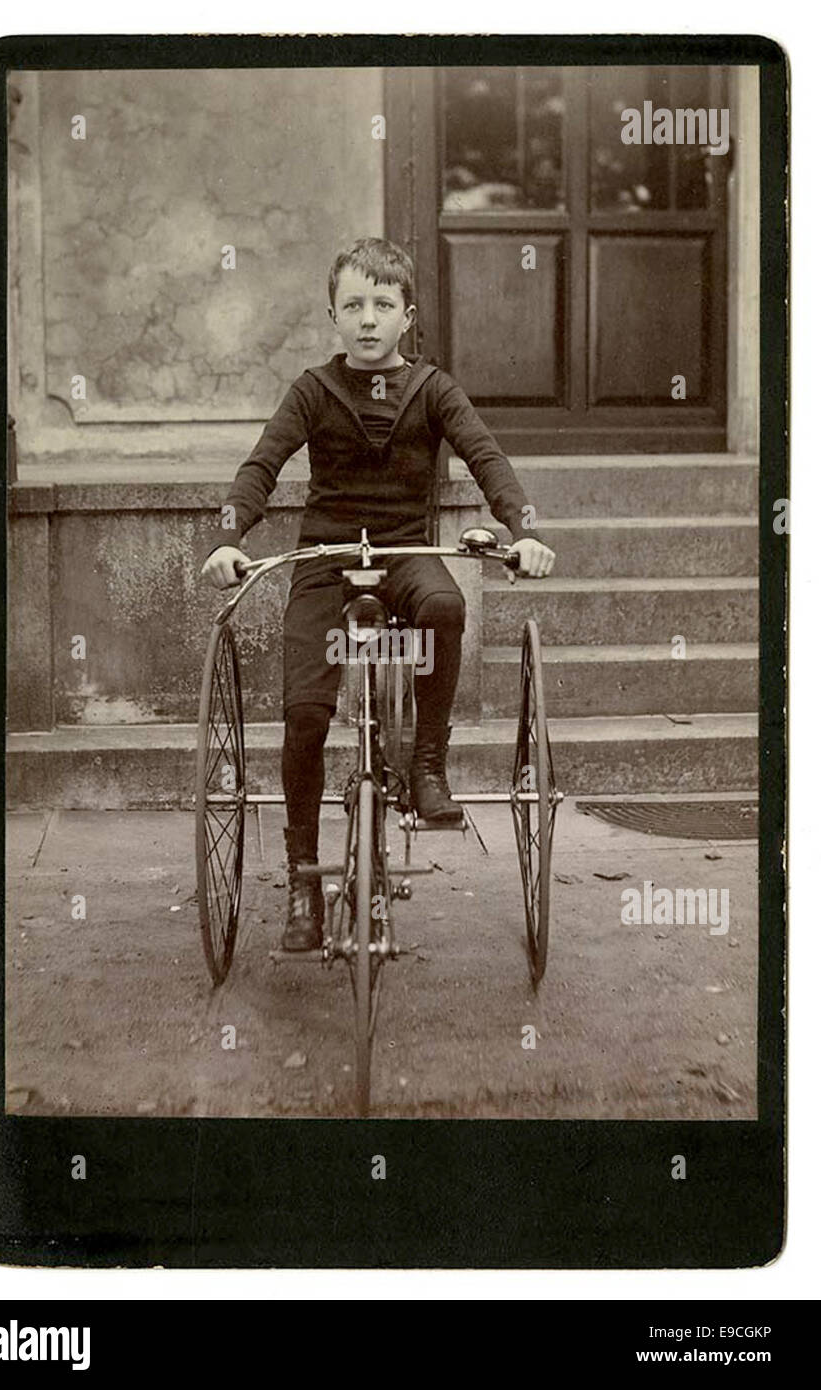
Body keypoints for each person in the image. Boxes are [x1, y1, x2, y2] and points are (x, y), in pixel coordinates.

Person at [200, 237, 555, 951]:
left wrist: (520, 527)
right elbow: (262, 465)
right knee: (304, 713)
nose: (368, 319)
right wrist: (231, 535)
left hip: (405, 552)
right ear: (333, 315)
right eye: (353, 305)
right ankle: (304, 880)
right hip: (327, 558)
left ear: (407, 317)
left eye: (383, 305)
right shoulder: (312, 390)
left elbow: (487, 458)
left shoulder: (433, 389)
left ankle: (427, 764)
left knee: (446, 604)